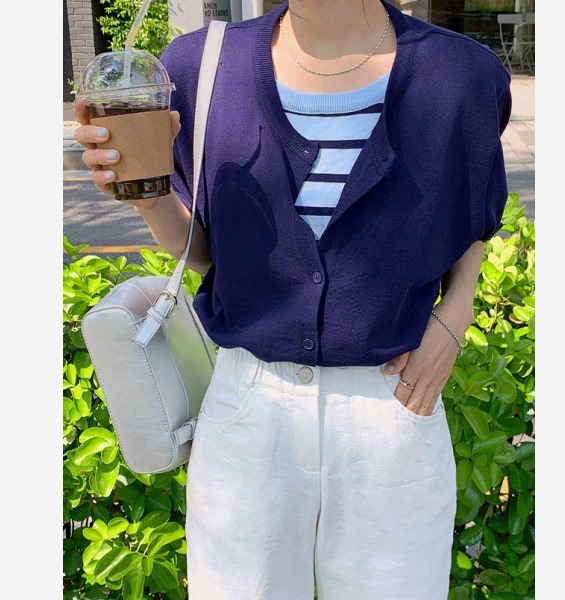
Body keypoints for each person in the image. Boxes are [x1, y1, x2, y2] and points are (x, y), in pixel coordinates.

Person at [75, 0, 511, 597]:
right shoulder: (203, 66)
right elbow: (205, 253)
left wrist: (457, 312)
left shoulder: (462, 74)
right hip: (249, 414)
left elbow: (472, 214)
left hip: (392, 409)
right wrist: (150, 199)